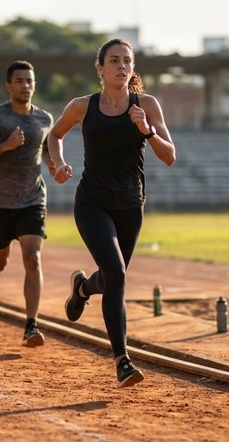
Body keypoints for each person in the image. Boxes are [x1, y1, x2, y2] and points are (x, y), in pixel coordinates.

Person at [47, 39, 176, 388]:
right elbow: (55, 135)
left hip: (131, 206)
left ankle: (82, 289)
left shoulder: (146, 105)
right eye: (114, 61)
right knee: (117, 274)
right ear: (100, 68)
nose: (122, 66)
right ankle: (123, 361)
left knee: (109, 279)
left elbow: (169, 155)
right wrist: (58, 163)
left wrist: (147, 131)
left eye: (127, 61)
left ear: (133, 68)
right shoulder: (82, 106)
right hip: (92, 203)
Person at [0, 60, 54, 348]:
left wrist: (55, 166)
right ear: (8, 85)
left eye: (29, 81)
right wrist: (5, 146)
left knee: (33, 258)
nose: (25, 86)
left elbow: (46, 151)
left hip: (32, 199)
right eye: (19, 81)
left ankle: (31, 325)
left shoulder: (44, 119)